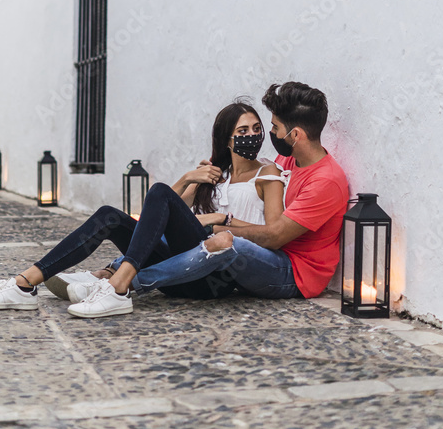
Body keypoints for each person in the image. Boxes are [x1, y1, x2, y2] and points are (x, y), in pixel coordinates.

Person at [64, 80, 349, 318]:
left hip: (293, 274)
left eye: (274, 127)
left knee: (224, 242)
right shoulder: (289, 162)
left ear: (295, 135)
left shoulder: (325, 181)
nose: (269, 133)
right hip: (271, 257)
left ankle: (121, 285)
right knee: (188, 230)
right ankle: (112, 273)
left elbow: (275, 237)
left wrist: (218, 226)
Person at [0, 101, 285, 314]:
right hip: (177, 272)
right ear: (226, 138)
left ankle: (118, 285)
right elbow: (160, 209)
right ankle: (25, 283)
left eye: (257, 129)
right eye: (243, 132)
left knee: (161, 195)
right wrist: (189, 177)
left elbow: (273, 235)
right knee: (110, 215)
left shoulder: (267, 174)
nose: (252, 137)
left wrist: (222, 221)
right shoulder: (216, 175)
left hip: (212, 277)